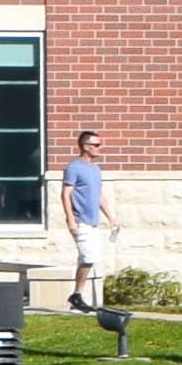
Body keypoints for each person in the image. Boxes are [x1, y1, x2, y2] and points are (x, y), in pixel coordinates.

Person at [56, 130, 115, 313]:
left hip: (93, 222)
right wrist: (71, 220)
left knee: (87, 259)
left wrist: (111, 217)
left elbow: (98, 196)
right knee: (89, 258)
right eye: (96, 145)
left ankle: (76, 298)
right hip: (80, 221)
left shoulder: (95, 169)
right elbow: (66, 194)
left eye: (100, 144)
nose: (100, 148)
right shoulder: (74, 167)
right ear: (85, 146)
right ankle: (77, 295)